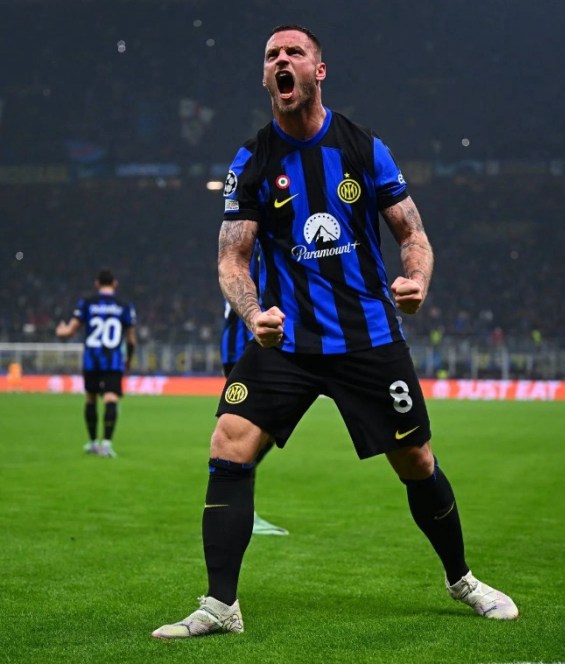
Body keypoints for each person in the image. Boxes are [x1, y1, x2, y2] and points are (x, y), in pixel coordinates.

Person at [152, 24, 517, 640]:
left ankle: (462, 579)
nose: (281, 60)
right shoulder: (251, 161)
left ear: (318, 70)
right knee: (228, 443)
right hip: (286, 341)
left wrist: (416, 280)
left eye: (294, 52)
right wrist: (254, 314)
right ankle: (221, 605)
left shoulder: (363, 148)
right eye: (271, 55)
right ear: (266, 76)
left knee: (417, 460)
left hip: (366, 336)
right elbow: (231, 261)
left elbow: (413, 234)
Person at [222, 272, 288, 536]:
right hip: (249, 349)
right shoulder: (255, 262)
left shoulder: (243, 264)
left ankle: (238, 503)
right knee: (256, 432)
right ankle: (239, 506)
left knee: (263, 433)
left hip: (244, 348)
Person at [56, 269, 136, 458]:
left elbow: (70, 331)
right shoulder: (124, 306)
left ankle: (92, 443)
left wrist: (60, 331)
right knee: (111, 398)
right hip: (113, 361)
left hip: (91, 359)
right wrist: (129, 359)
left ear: (97, 284)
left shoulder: (87, 303)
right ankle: (106, 445)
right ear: (115, 284)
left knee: (91, 398)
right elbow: (131, 340)